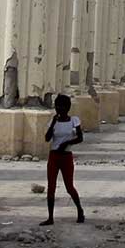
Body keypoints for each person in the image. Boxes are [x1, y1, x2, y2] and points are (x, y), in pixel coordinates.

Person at [42, 94, 84, 226]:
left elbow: (80, 138)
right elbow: (47, 138)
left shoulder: (74, 121)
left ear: (67, 107)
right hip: (54, 156)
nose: (58, 109)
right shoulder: (53, 122)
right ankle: (50, 217)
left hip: (66, 156)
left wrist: (65, 144)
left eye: (61, 106)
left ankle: (79, 210)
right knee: (51, 187)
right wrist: (53, 122)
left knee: (69, 187)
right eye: (57, 106)